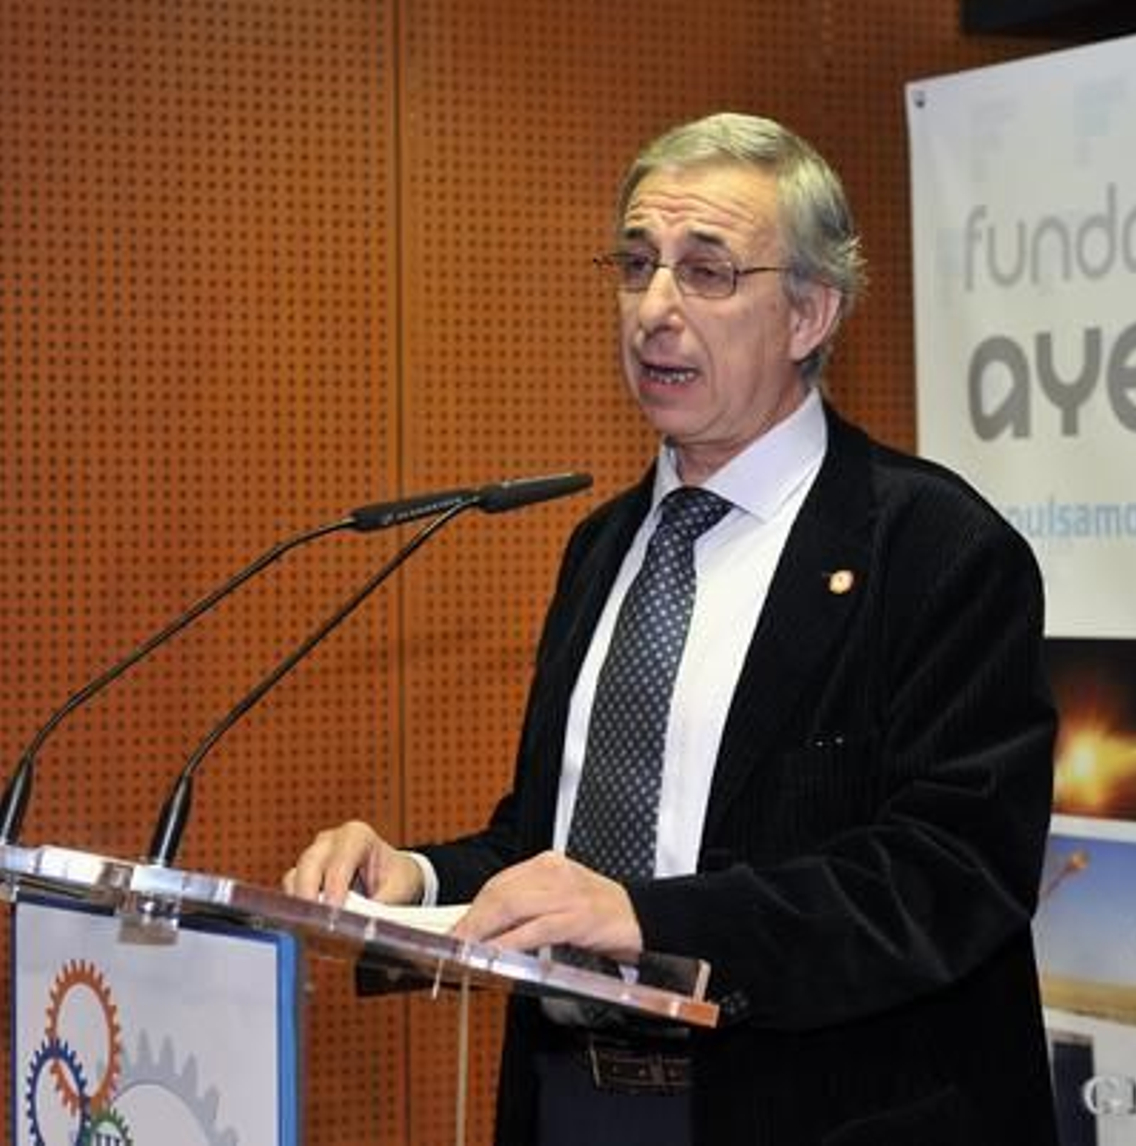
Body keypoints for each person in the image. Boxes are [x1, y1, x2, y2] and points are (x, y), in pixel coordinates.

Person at [285, 111, 1059, 1146]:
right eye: (637, 264)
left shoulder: (936, 549)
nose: (653, 310)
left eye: (706, 272)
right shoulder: (605, 545)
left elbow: (948, 877)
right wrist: (416, 880)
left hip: (820, 1110)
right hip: (571, 1098)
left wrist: (654, 923)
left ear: (808, 314)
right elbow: (557, 849)